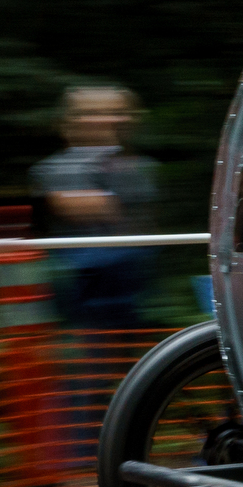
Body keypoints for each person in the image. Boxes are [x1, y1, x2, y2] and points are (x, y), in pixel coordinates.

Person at [30, 86, 159, 463]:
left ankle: (118, 452)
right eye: (100, 112)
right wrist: (110, 205)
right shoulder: (55, 168)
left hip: (130, 280)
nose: (112, 120)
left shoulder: (138, 166)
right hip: (85, 284)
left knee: (132, 369)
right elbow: (87, 208)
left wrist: (109, 205)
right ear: (77, 120)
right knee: (90, 370)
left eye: (118, 112)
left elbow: (121, 211)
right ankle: (78, 455)